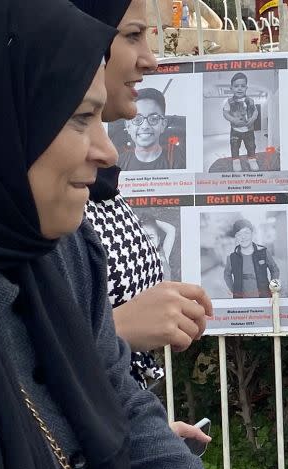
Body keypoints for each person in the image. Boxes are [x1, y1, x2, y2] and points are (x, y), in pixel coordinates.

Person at [0, 1, 288, 469]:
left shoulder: (59, 252)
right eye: (78, 118)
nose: (108, 151)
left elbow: (119, 403)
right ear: (0, 120)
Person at [78, 0, 216, 402]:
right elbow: (10, 355)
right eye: (133, 35)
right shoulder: (40, 187)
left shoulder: (94, 181)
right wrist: (117, 328)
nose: (151, 60)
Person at [117, 87, 186, 170]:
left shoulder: (178, 162)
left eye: (153, 118)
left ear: (163, 124)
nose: (145, 126)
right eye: (137, 119)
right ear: (128, 126)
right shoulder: (118, 164)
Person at [223, 219, 281, 298]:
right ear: (236, 237)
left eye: (246, 233)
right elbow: (227, 275)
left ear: (252, 234)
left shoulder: (263, 252)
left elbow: (274, 269)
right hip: (242, 300)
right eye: (239, 234)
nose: (243, 237)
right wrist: (234, 290)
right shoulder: (231, 258)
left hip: (263, 296)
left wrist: (273, 287)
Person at [224, 72, 260, 172]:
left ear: (246, 88)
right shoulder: (229, 102)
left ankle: (252, 159)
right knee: (234, 146)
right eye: (236, 86)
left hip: (249, 130)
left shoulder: (251, 100)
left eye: (242, 86)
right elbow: (225, 113)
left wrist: (253, 118)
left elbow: (255, 111)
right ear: (231, 88)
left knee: (251, 145)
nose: (239, 88)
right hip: (235, 130)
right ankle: (235, 161)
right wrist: (233, 119)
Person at [139, 217, 176, 281]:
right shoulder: (137, 260)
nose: (148, 242)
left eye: (151, 237)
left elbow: (171, 229)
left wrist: (151, 220)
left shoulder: (164, 254)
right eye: (143, 238)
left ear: (158, 239)